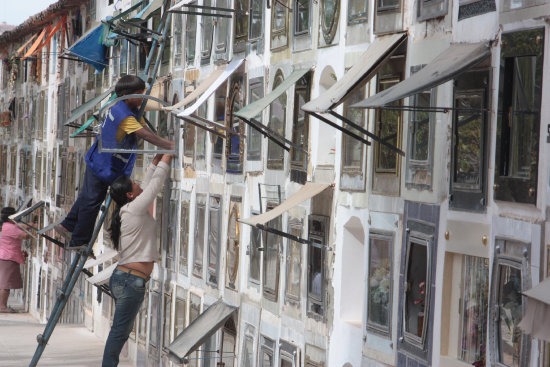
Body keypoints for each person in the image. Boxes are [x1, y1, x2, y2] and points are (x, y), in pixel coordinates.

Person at [57, 75, 175, 249]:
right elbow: (145, 134)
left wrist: (162, 142)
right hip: (102, 166)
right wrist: (171, 145)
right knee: (92, 201)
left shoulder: (123, 109)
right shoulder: (124, 116)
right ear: (128, 94)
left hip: (101, 162)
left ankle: (67, 224)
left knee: (87, 196)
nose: (142, 96)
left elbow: (145, 129)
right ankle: (79, 241)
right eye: (139, 93)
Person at [102, 153, 172, 367]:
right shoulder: (134, 209)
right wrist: (167, 156)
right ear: (131, 194)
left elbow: (146, 185)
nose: (139, 182)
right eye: (134, 183)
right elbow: (153, 186)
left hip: (127, 279)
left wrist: (154, 162)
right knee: (119, 332)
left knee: (121, 331)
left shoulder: (130, 208)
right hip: (130, 281)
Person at [0, 207, 32, 312]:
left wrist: (31, 225)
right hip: (8, 257)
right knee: (6, 283)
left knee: (5, 282)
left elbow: (21, 226)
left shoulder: (6, 225)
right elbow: (25, 236)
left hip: (5, 256)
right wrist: (37, 233)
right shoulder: (10, 227)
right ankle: (2, 306)